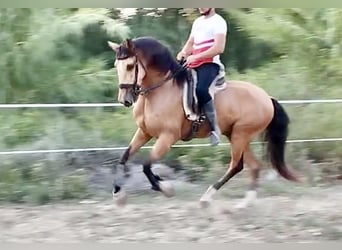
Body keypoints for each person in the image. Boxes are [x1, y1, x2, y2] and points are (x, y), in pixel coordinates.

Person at [177, 8, 228, 146]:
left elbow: (219, 48)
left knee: (201, 90)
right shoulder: (198, 22)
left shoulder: (219, 22)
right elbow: (190, 43)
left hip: (209, 64)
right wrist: (183, 52)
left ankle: (214, 129)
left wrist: (196, 57)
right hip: (193, 63)